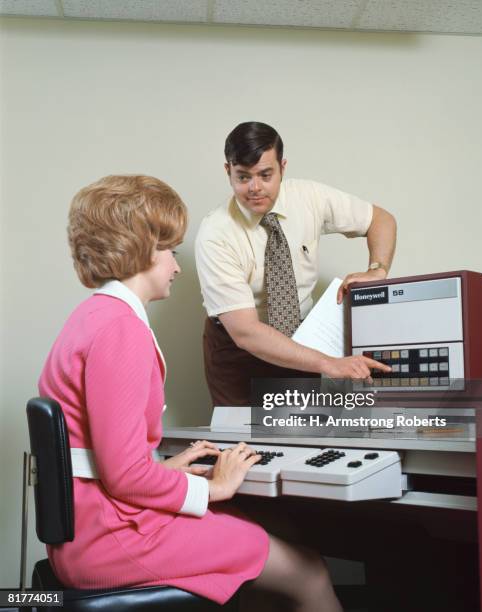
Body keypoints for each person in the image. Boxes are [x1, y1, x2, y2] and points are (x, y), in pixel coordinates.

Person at [38, 174, 343, 611]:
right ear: (140, 247)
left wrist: (168, 468)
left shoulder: (92, 317)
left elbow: (104, 454)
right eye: (169, 251)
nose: (177, 266)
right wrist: (213, 489)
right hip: (111, 538)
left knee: (271, 531)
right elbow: (123, 477)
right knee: (307, 570)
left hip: (89, 527)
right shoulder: (119, 330)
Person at [196, 121, 396, 407]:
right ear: (228, 171)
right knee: (244, 443)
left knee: (306, 432)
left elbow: (381, 220)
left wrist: (378, 269)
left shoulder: (309, 197)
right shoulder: (216, 234)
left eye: (266, 175)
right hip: (239, 351)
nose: (255, 188)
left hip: (303, 338)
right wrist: (328, 364)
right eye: (243, 177)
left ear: (283, 167)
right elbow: (246, 332)